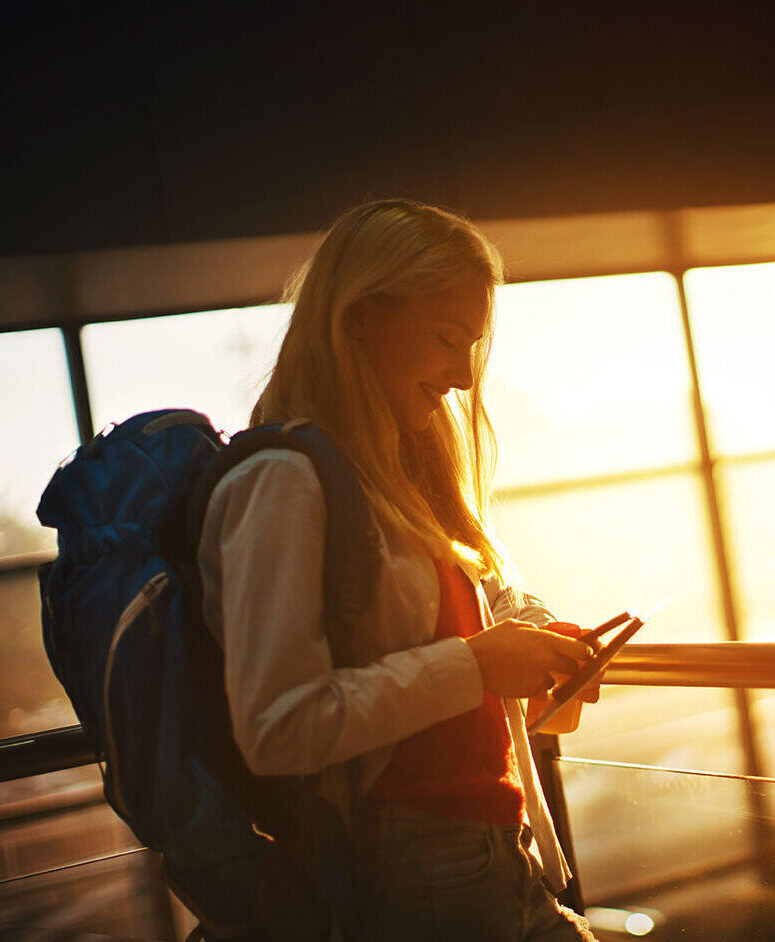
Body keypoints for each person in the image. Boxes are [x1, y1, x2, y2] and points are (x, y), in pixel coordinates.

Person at [197, 199, 600, 940]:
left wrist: (534, 641)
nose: (460, 376)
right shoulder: (284, 481)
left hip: (490, 846)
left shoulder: (402, 467)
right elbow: (278, 728)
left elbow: (467, 613)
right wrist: (477, 666)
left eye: (470, 347)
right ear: (358, 319)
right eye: (447, 340)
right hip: (411, 866)